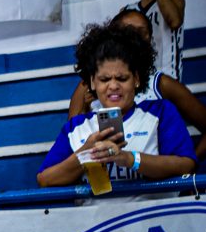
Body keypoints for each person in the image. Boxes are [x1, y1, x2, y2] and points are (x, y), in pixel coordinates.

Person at [38, 22, 196, 190]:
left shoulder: (160, 112)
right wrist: (86, 153)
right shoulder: (76, 127)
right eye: (104, 79)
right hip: (95, 209)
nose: (113, 86)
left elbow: (186, 165)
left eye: (122, 78)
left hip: (153, 208)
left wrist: (129, 159)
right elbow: (44, 179)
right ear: (92, 82)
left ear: (136, 79)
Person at [68, 8, 206, 161]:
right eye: (128, 31)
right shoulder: (87, 85)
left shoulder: (161, 84)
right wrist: (84, 110)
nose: (134, 38)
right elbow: (73, 140)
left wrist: (188, 162)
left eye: (142, 32)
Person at [125, 0, 184, 79]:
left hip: (168, 81)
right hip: (137, 83)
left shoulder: (175, 0)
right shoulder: (127, 11)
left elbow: (174, 21)